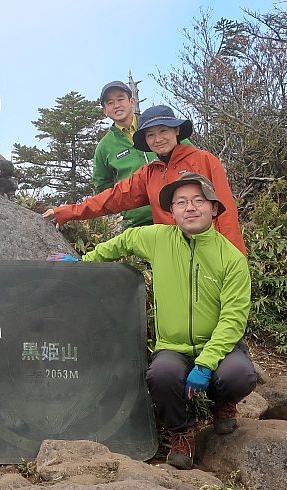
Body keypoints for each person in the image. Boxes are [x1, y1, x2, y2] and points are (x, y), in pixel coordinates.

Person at [59, 173, 256, 469]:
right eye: (181, 202)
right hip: (173, 346)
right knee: (160, 376)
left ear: (214, 208)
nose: (190, 208)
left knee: (238, 376)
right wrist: (84, 261)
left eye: (198, 201)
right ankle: (181, 431)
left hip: (220, 347)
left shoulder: (231, 258)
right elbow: (124, 240)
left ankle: (222, 401)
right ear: (173, 211)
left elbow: (233, 317)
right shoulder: (158, 238)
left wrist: (205, 363)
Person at [43, 104, 247, 254]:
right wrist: (66, 212)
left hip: (210, 250)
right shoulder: (149, 173)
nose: (157, 139)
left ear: (176, 131)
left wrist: (234, 256)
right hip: (172, 254)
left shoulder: (203, 160)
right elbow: (112, 198)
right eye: (150, 135)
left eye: (163, 131)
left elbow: (225, 210)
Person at [91, 79, 153, 228]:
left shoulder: (156, 125)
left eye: (120, 99)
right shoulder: (104, 147)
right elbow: (102, 185)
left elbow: (190, 155)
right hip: (137, 223)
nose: (117, 105)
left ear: (132, 100)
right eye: (110, 102)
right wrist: (123, 203)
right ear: (104, 111)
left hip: (176, 213)